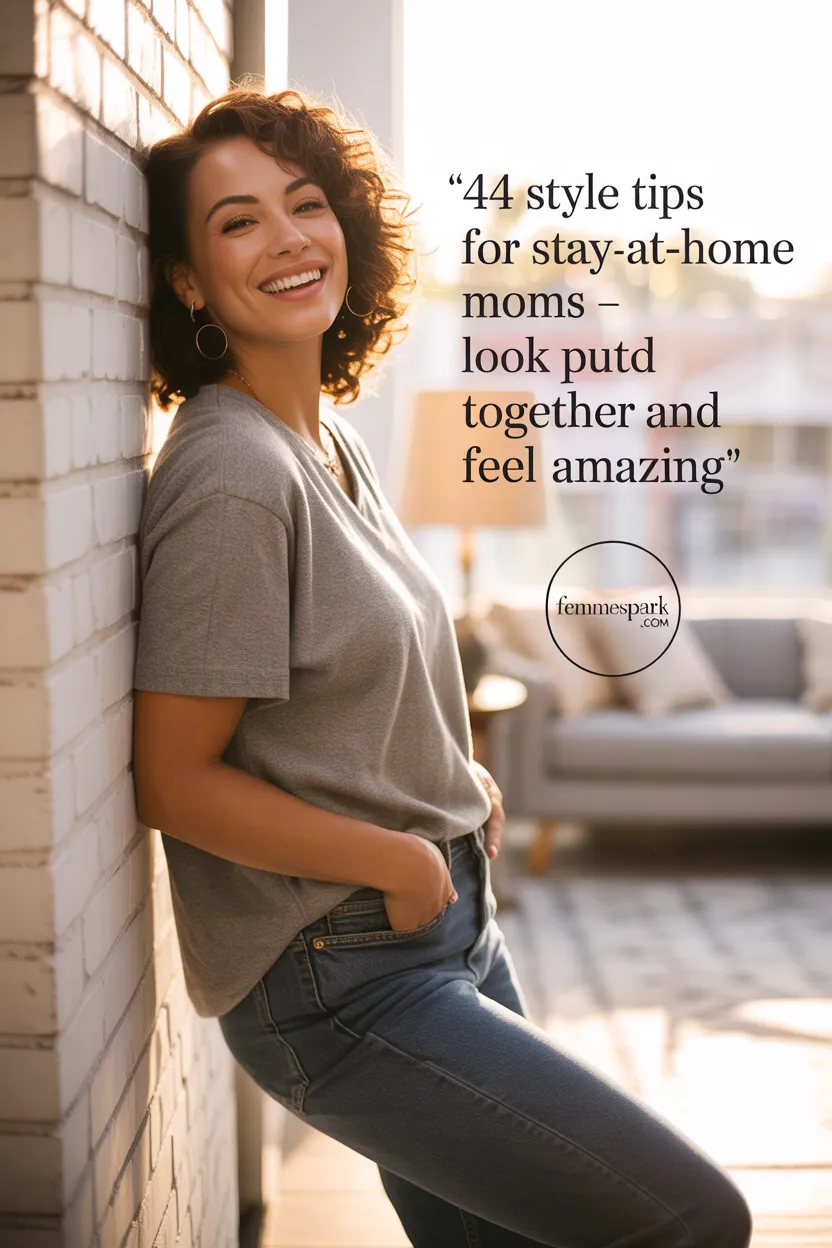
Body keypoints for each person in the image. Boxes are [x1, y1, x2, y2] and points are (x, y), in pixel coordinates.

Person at [132, 86, 752, 1248]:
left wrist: (455, 787)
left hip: (437, 926)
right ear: (184, 279)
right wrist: (402, 861)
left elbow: (360, 674)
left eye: (304, 205)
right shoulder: (231, 478)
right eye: (237, 223)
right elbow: (172, 779)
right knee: (689, 1220)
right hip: (341, 971)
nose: (287, 240)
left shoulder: (326, 442)